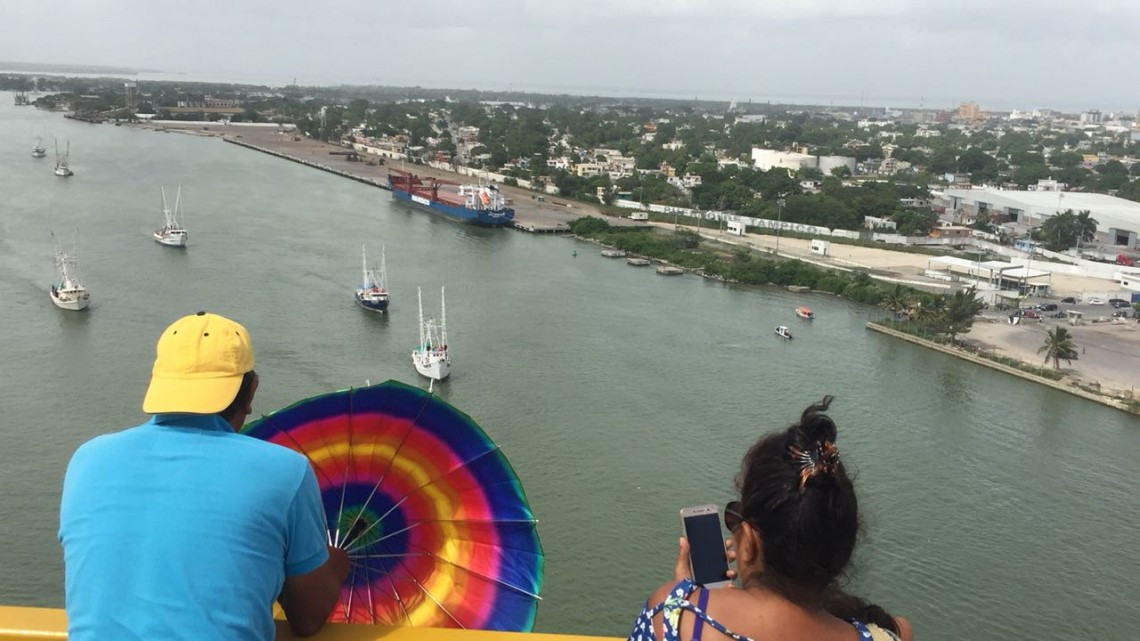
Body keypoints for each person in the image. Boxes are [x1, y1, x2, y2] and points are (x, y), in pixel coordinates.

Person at [59, 311, 349, 640]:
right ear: (251, 389)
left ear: (158, 384)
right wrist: (336, 565)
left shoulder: (87, 460)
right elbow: (307, 619)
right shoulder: (286, 472)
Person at [628, 397, 912, 641]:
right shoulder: (883, 635)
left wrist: (684, 601)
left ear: (750, 542)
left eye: (734, 518)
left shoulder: (673, 619)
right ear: (843, 549)